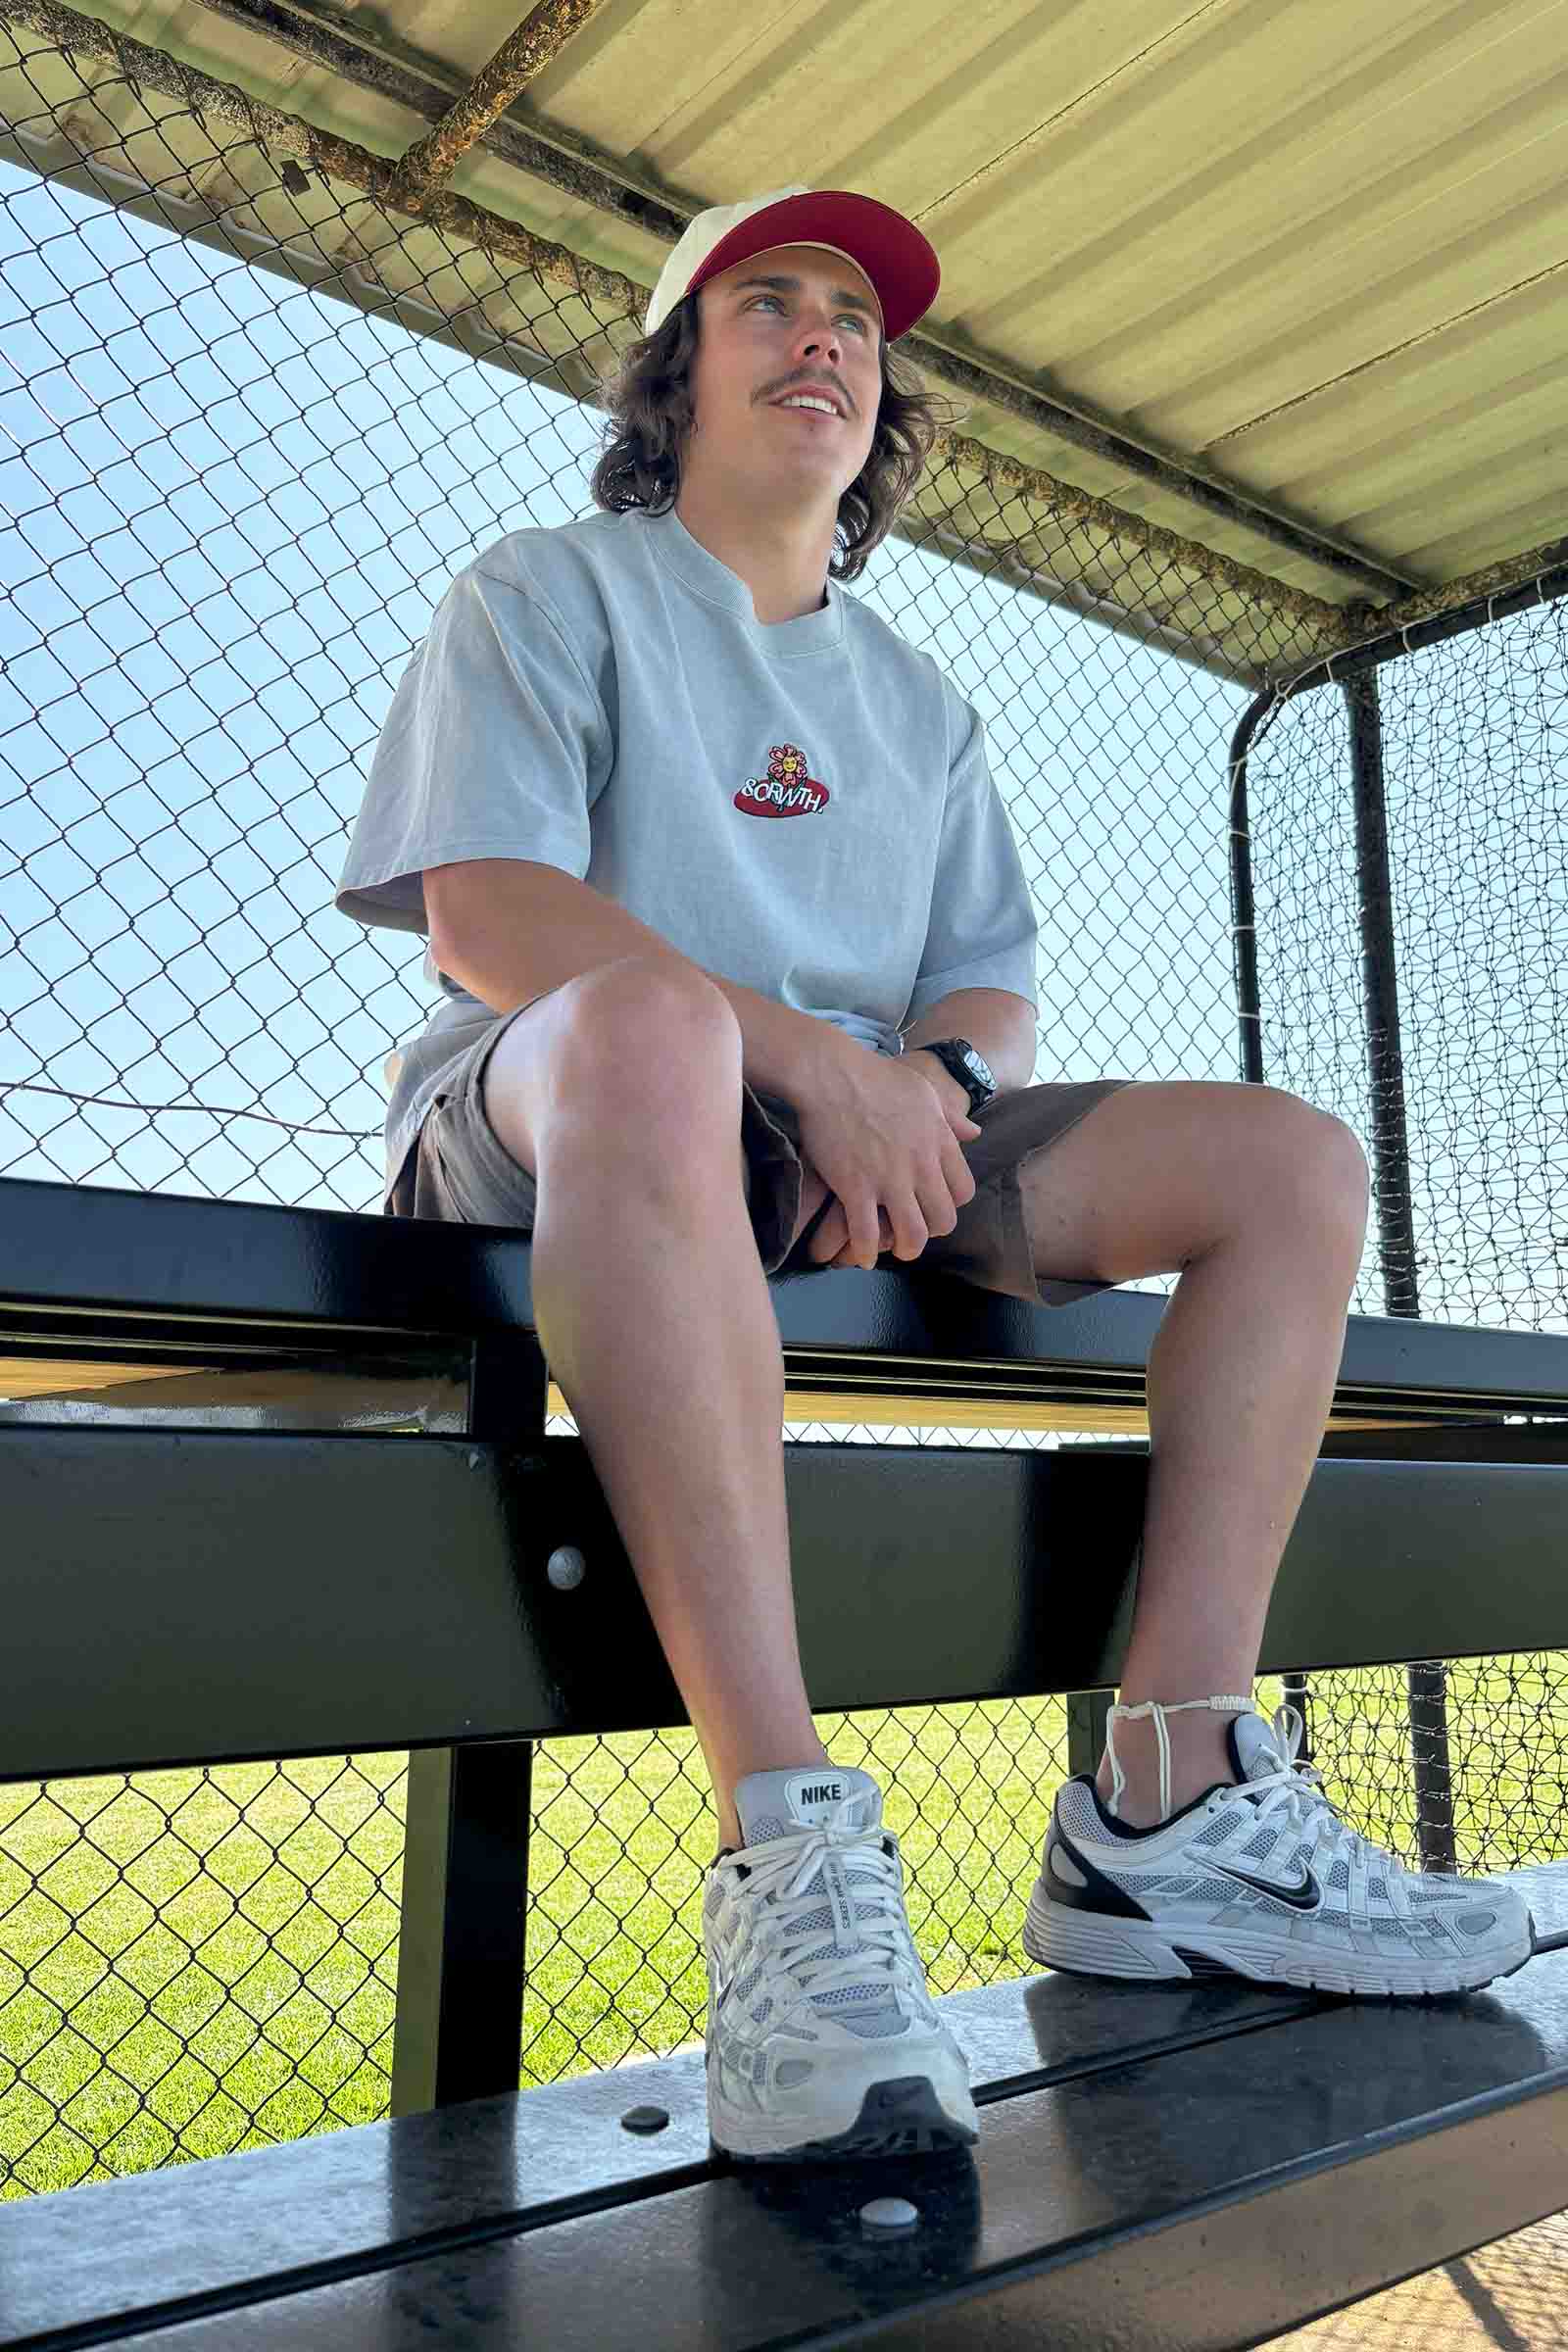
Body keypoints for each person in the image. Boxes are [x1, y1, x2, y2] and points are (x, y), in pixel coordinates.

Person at [335, 186, 1535, 2167]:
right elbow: (487, 913)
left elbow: (983, 994)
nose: (821, 334)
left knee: (1288, 1163)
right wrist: (818, 1063)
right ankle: (787, 1852)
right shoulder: (548, 587)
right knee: (657, 1032)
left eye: (854, 320)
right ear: (678, 369)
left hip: (854, 1142)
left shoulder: (914, 698)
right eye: (769, 301)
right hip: (561, 1114)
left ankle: (1171, 1803)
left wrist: (922, 1090)